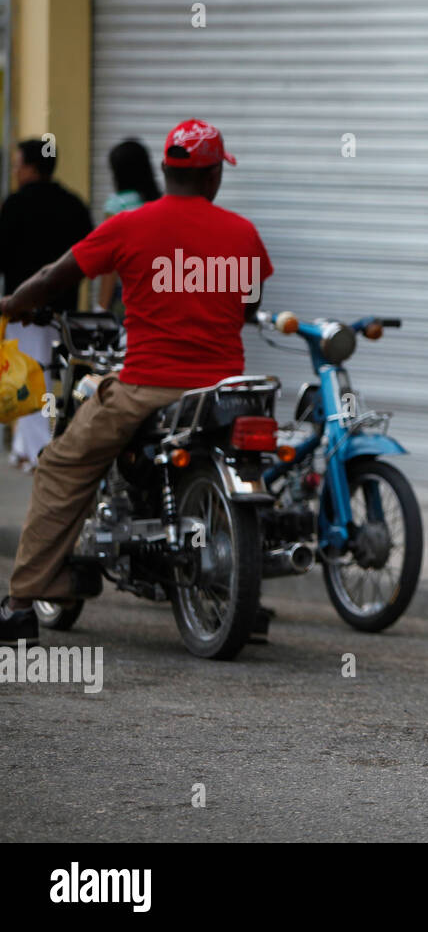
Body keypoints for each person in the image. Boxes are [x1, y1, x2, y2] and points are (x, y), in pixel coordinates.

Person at [0, 119, 273, 647]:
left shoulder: (129, 225)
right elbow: (249, 308)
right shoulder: (242, 233)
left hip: (147, 387)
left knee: (59, 466)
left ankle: (20, 604)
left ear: (168, 171)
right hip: (223, 396)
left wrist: (12, 305)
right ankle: (248, 600)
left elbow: (55, 277)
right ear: (213, 175)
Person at [0, 139, 94, 469]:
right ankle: (28, 448)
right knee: (57, 380)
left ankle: (39, 451)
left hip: (24, 312)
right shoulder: (74, 204)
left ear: (31, 167)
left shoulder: (15, 205)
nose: (15, 172)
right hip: (65, 313)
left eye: (17, 165)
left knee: (28, 381)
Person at [96, 139, 163, 315]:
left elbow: (110, 261)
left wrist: (102, 306)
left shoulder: (117, 205)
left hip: (127, 292)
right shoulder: (159, 203)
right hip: (158, 289)